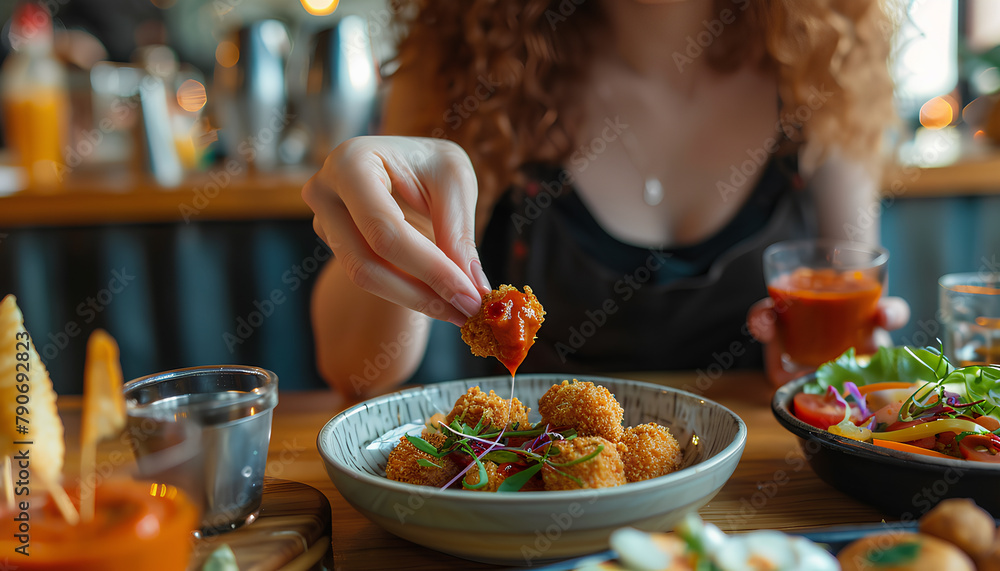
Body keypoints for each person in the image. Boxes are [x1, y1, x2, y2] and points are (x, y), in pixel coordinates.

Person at [302, 0, 910, 398]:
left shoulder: (834, 55)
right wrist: (405, 216)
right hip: (526, 501)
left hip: (757, 505)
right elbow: (356, 368)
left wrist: (835, 367)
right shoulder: (461, 54)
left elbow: (849, 324)